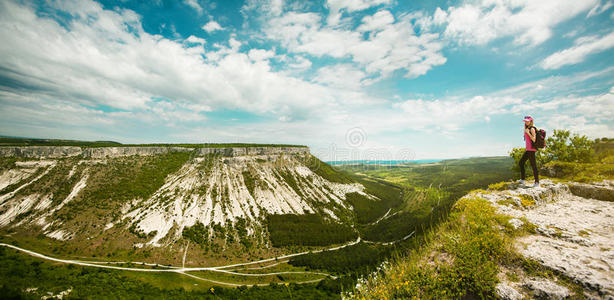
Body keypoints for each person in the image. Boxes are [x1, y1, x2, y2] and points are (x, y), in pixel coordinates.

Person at [519, 116, 539, 187]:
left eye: (528, 121)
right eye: (525, 121)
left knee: (533, 166)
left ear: (531, 121)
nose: (526, 122)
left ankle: (537, 182)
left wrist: (528, 133)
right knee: (521, 163)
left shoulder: (532, 129)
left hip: (531, 150)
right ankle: (523, 179)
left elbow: (534, 139)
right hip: (528, 149)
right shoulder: (526, 128)